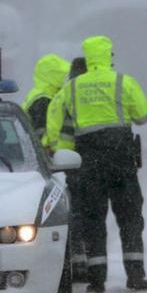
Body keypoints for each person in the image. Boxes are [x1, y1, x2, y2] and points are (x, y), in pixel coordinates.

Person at [48, 36, 147, 293]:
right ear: (108, 57)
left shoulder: (72, 88)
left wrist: (49, 143)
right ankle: (135, 277)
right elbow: (143, 115)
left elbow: (54, 113)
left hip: (89, 161)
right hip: (121, 160)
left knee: (94, 218)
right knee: (129, 217)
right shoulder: (122, 82)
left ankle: (96, 280)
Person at [46, 57, 89, 281]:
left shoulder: (64, 94)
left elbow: (56, 130)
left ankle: (80, 264)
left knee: (76, 213)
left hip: (64, 160)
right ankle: (87, 265)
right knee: (87, 213)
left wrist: (53, 151)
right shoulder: (81, 95)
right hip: (77, 160)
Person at [21, 54, 70, 141]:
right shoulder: (43, 100)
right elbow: (40, 133)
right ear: (53, 76)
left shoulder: (37, 94)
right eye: (62, 75)